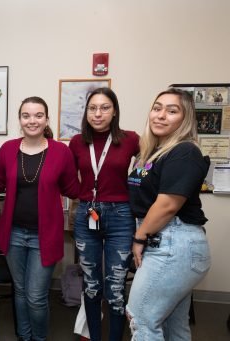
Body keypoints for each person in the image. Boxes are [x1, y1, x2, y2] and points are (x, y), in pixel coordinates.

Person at [0, 96, 79, 341]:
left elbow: (73, 188)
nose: (32, 121)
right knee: (19, 291)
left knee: (36, 296)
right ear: (20, 120)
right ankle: (24, 336)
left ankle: (38, 339)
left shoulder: (61, 151)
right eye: (26, 115)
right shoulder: (8, 149)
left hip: (45, 235)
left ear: (46, 119)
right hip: (14, 233)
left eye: (38, 115)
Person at [126, 88, 211, 340]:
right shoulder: (150, 152)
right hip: (165, 242)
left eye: (172, 111)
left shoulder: (185, 151)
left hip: (173, 244)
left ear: (184, 119)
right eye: (157, 108)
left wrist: (139, 237)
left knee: (140, 319)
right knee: (174, 326)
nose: (161, 115)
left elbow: (167, 205)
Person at [69, 87, 140, 341]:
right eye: (92, 108)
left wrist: (136, 189)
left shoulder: (131, 139)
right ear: (86, 112)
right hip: (88, 212)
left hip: (120, 216)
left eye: (105, 108)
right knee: (91, 285)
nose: (98, 114)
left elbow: (148, 168)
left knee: (115, 287)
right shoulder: (77, 142)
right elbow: (69, 178)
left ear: (114, 111)